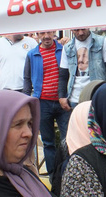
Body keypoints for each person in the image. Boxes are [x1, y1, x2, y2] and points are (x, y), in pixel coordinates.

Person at [23, 30, 70, 178]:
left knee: (67, 140)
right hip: (42, 103)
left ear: (54, 32)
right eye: (42, 33)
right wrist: (26, 101)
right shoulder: (32, 54)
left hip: (63, 103)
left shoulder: (64, 50)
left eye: (49, 32)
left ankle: (68, 174)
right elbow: (27, 78)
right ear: (37, 35)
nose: (46, 36)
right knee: (48, 143)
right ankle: (53, 176)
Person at [58, 28, 106, 110]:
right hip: (74, 99)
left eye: (83, 29)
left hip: (97, 97)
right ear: (71, 29)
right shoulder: (67, 47)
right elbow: (63, 75)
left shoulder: (102, 42)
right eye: (76, 30)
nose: (81, 33)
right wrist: (61, 96)